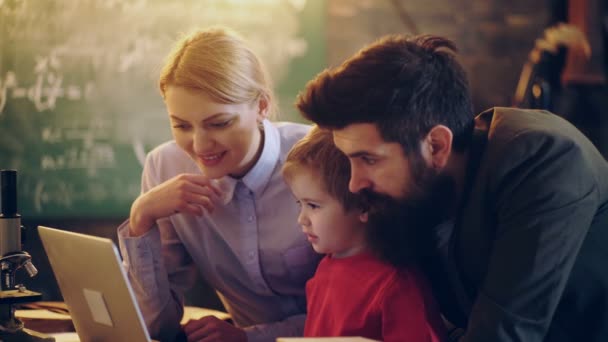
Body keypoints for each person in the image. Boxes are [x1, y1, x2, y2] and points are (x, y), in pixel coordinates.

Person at [295, 34, 608, 342]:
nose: (354, 183)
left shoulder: (542, 161)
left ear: (436, 145)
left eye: (368, 159)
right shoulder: (414, 195)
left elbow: (504, 333)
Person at [117, 26, 321, 342]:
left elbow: (354, 313)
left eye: (219, 123)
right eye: (181, 125)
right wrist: (141, 216)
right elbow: (155, 327)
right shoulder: (164, 166)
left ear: (262, 107)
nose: (199, 145)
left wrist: (249, 338)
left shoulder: (319, 158)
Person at [281, 126, 446, 342]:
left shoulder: (395, 285)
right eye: (299, 204)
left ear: (363, 207)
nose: (301, 219)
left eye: (313, 205)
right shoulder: (325, 268)